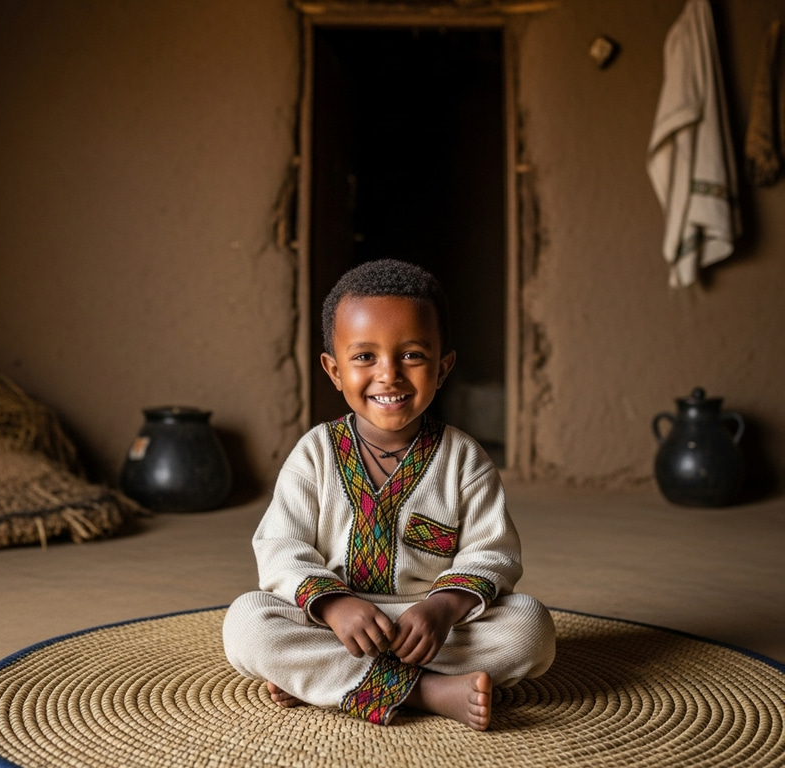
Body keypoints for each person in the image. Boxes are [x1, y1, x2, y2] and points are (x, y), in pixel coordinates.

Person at [223, 259, 555, 730]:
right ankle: (429, 691)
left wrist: (442, 608)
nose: (389, 375)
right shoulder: (315, 453)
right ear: (333, 370)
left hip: (431, 627)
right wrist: (335, 605)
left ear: (443, 368)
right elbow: (280, 548)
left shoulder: (465, 459)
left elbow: (493, 553)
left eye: (412, 356)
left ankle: (320, 678)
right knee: (247, 623)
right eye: (364, 358)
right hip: (333, 623)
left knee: (530, 629)